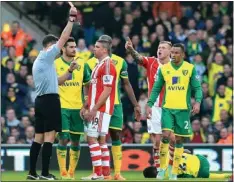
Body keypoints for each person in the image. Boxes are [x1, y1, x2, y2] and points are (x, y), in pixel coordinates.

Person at [27, 6, 79, 180]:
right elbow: (64, 37)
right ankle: (45, 173)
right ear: (50, 46)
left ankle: (32, 173)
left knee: (38, 139)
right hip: (50, 101)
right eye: (58, 45)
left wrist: (70, 71)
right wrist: (71, 19)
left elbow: (57, 81)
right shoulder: (48, 55)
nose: (61, 47)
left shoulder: (41, 62)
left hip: (41, 101)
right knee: (50, 137)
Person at [85, 35, 141, 180]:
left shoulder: (119, 62)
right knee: (100, 138)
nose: (95, 48)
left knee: (114, 136)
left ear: (107, 47)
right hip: (99, 104)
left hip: (113, 104)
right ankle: (103, 172)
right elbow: (87, 86)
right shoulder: (91, 62)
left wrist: (135, 104)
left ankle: (116, 173)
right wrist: (86, 103)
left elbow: (126, 84)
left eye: (100, 46)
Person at [146, 43, 202, 180]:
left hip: (183, 110)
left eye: (177, 53)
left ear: (183, 54)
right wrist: (149, 104)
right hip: (167, 108)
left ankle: (174, 170)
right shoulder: (164, 69)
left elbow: (197, 87)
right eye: (173, 52)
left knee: (178, 140)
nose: (174, 55)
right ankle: (162, 169)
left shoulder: (189, 68)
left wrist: (198, 101)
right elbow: (156, 88)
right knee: (165, 135)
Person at [125, 37, 175, 171]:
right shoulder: (152, 62)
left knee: (172, 138)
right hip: (154, 107)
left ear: (170, 51)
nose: (160, 50)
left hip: (171, 106)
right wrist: (131, 49)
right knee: (157, 140)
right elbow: (139, 59)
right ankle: (159, 170)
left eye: (163, 48)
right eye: (159, 47)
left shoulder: (176, 66)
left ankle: (171, 168)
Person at [81, 38, 117, 180]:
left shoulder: (108, 65)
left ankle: (97, 173)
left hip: (101, 108)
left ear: (104, 50)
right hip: (98, 107)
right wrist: (85, 105)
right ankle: (106, 173)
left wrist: (94, 109)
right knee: (101, 141)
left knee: (91, 138)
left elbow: (107, 90)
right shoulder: (98, 64)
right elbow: (95, 88)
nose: (93, 49)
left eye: (97, 47)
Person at [55, 37, 90, 180]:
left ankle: (71, 172)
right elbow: (56, 82)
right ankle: (63, 172)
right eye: (71, 47)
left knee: (76, 141)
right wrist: (69, 70)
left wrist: (86, 102)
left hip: (78, 108)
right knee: (63, 139)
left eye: (75, 47)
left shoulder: (82, 63)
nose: (74, 49)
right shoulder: (56, 64)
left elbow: (87, 84)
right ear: (63, 49)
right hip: (62, 106)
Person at [143, 151, 231, 179]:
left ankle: (228, 175)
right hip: (201, 158)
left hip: (201, 171)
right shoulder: (164, 158)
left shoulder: (166, 175)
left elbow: (186, 176)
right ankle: (229, 175)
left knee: (200, 175)